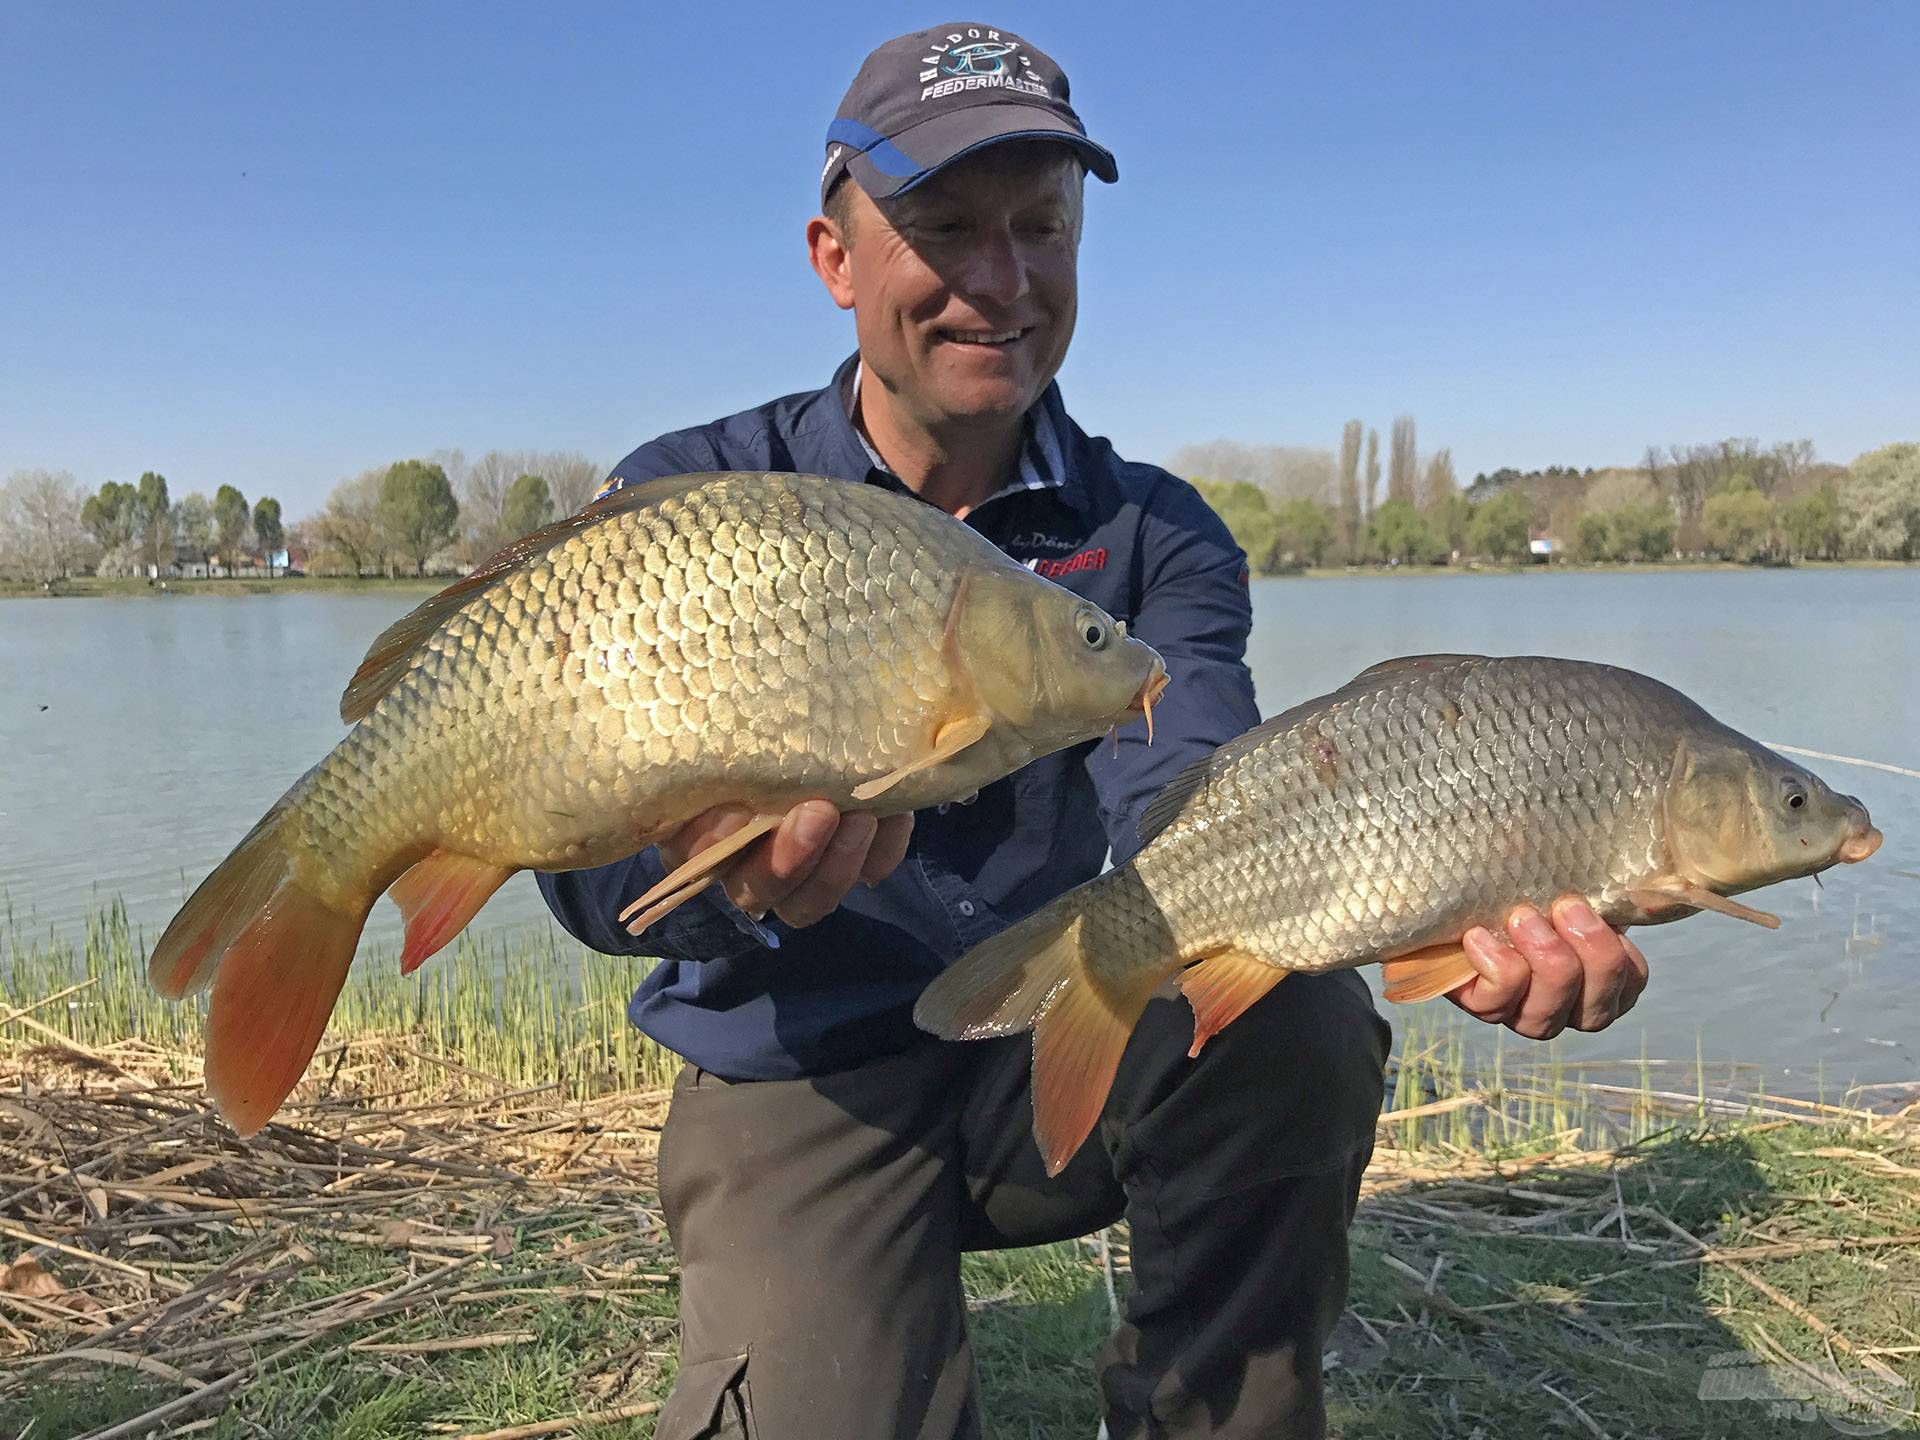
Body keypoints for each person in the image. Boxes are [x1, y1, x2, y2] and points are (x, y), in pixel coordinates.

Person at [538, 22, 1650, 1439]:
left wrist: (1447, 905)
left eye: (1041, 229)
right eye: (945, 229)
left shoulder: (1155, 535)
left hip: (1064, 1043)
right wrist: (713, 887)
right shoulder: (700, 499)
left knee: (1300, 1020)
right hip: (801, 1081)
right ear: (835, 259)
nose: (999, 281)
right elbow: (584, 878)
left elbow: (1184, 791)